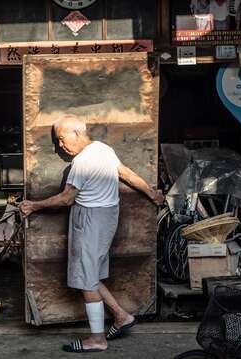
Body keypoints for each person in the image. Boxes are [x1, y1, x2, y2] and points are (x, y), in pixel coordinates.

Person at [19, 115, 164, 353]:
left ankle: (97, 339)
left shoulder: (81, 162)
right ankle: (121, 316)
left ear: (76, 133)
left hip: (89, 220)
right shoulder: (103, 149)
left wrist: (33, 205)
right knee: (91, 275)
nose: (60, 146)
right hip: (107, 218)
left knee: (86, 281)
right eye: (58, 141)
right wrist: (152, 193)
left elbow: (66, 199)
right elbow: (126, 174)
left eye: (62, 139)